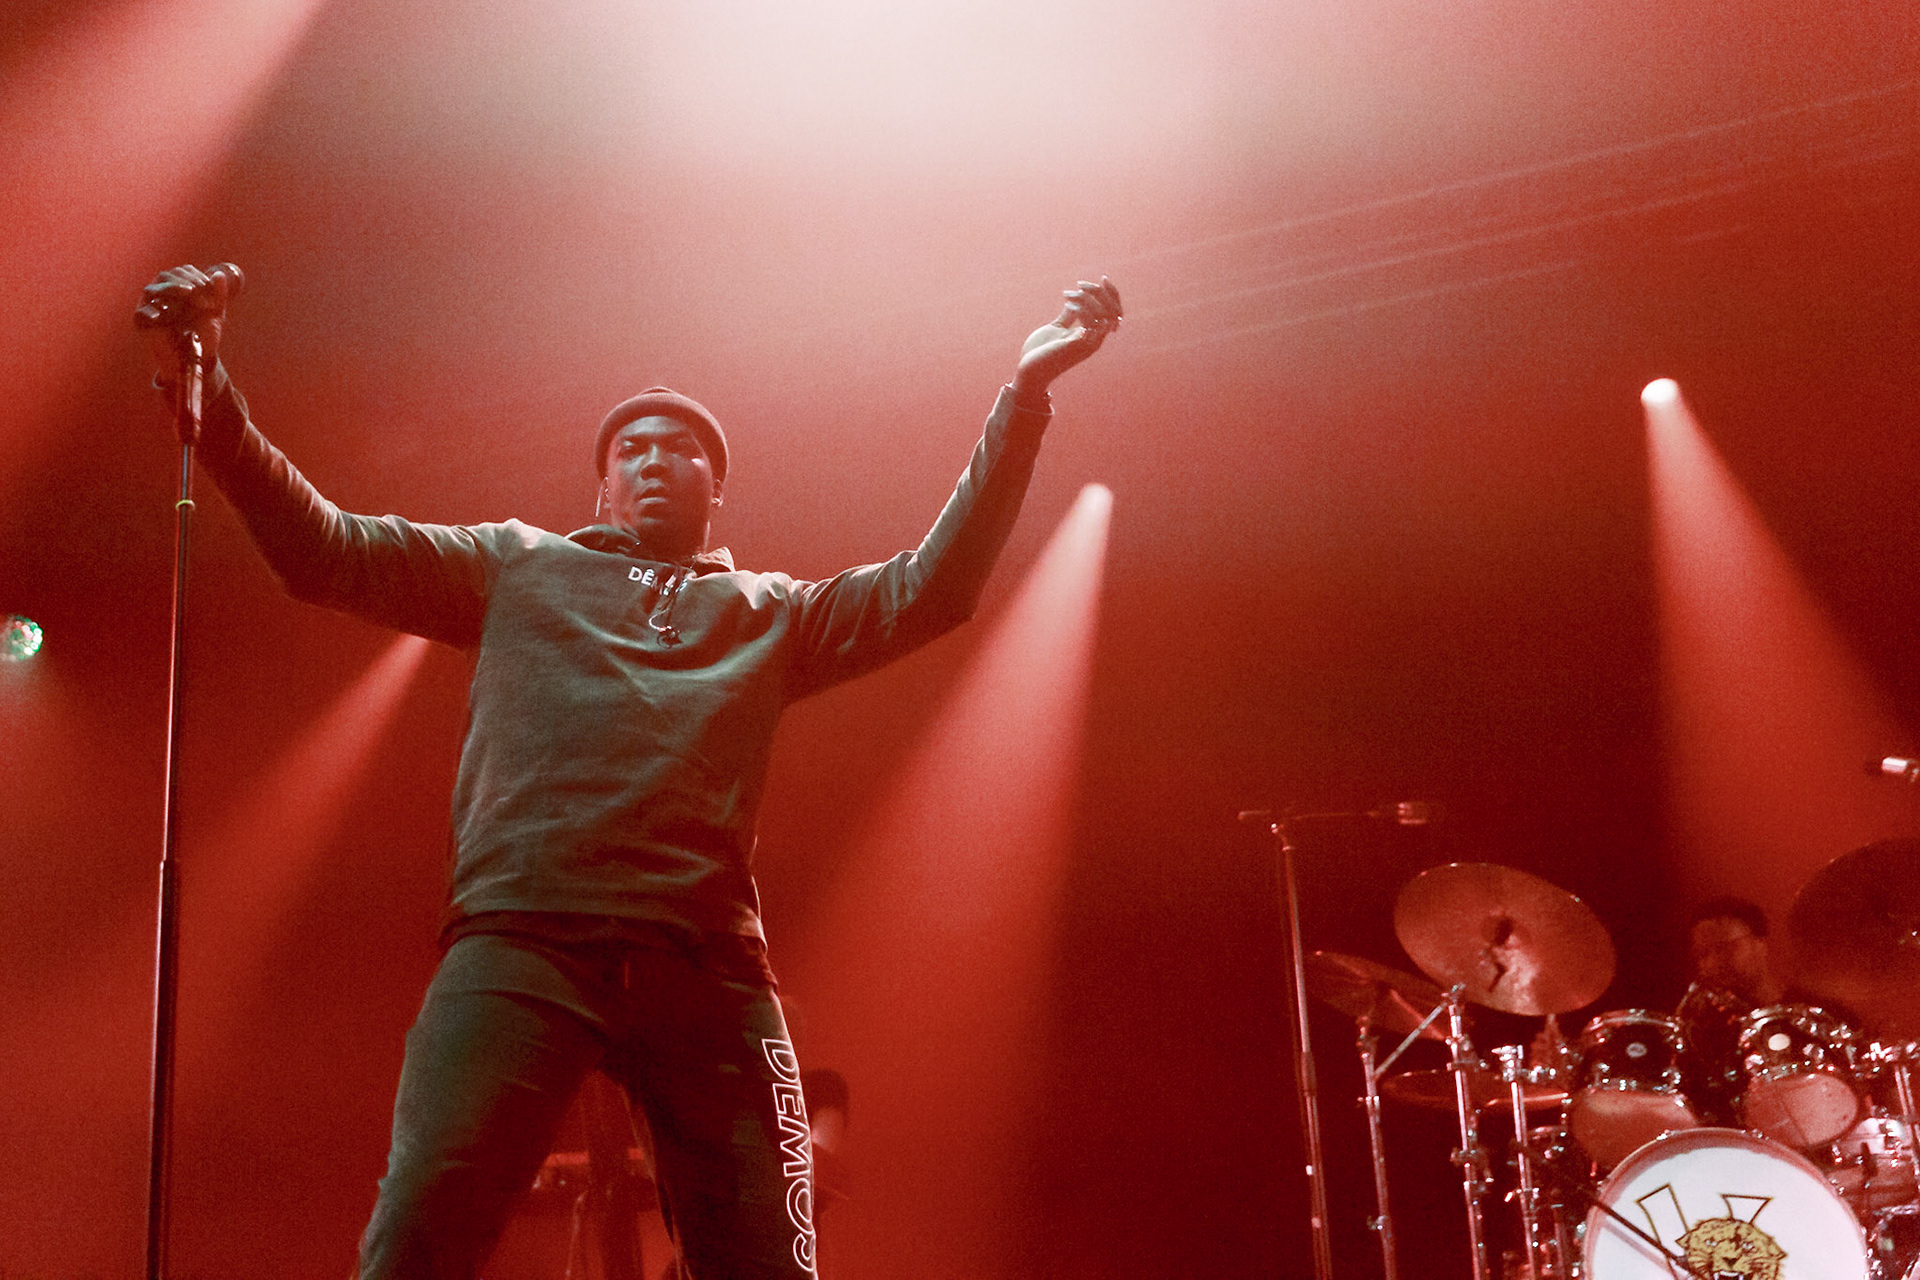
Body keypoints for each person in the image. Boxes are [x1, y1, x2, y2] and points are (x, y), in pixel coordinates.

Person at [140, 264, 1122, 1280]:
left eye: (682, 448)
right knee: (417, 1237)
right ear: (602, 485)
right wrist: (209, 397)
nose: (655, 459)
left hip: (708, 966)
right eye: (632, 449)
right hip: (523, 940)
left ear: (717, 487)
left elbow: (935, 589)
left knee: (773, 1265)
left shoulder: (769, 611)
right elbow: (324, 550)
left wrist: (1025, 397)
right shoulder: (518, 565)